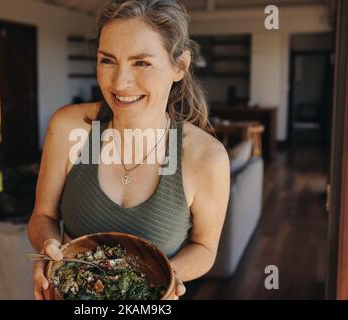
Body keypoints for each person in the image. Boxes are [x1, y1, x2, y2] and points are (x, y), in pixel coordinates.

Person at [27, 0, 230, 300]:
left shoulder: (206, 157)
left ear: (180, 66)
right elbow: (42, 215)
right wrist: (48, 250)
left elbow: (205, 248)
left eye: (141, 63)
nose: (120, 82)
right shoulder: (69, 128)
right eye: (107, 60)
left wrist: (163, 279)